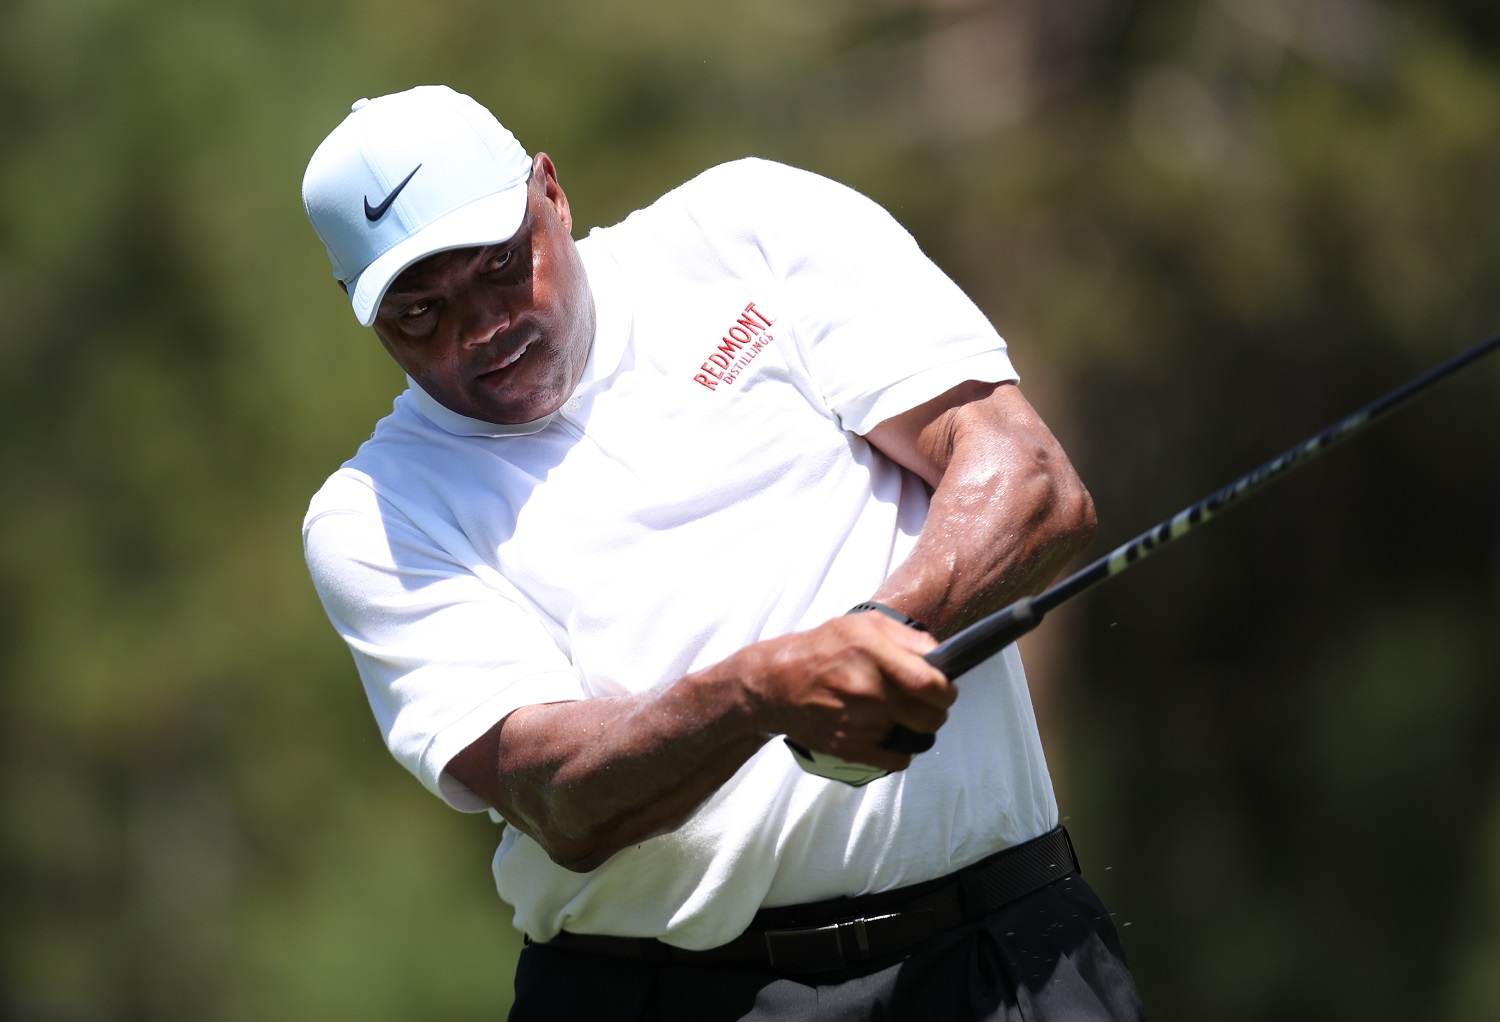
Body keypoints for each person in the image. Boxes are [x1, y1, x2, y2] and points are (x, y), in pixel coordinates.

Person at [300, 84, 1144, 1020]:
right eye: (420, 312)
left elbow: (1027, 481)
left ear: (552, 191)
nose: (483, 326)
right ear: (361, 309)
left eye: (503, 264)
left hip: (1000, 955)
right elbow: (556, 797)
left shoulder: (748, 228)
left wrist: (879, 636)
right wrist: (766, 691)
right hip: (659, 996)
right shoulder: (375, 514)